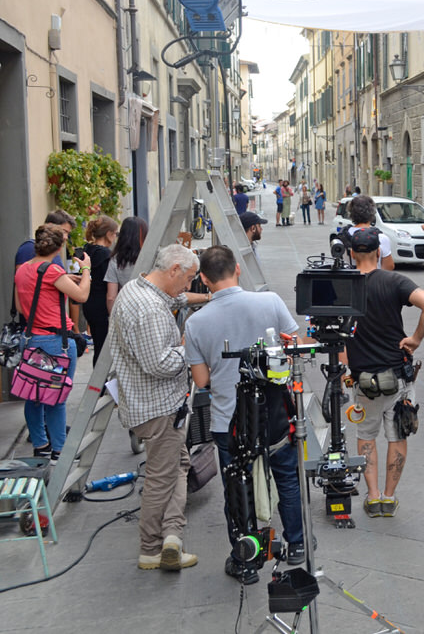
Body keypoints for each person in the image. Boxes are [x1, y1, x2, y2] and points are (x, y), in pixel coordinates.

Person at [183, 246, 305, 585]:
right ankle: (296, 544)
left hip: (229, 420)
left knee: (238, 488)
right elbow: (293, 347)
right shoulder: (270, 302)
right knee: (287, 478)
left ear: (203, 279)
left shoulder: (195, 323)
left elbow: (201, 381)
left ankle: (246, 560)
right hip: (275, 414)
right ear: (238, 269)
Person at [106, 244, 201, 571]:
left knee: (178, 466)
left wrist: (208, 297)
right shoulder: (149, 310)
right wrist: (190, 348)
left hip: (150, 404)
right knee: (161, 478)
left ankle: (172, 535)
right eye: (188, 278)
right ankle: (150, 548)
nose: (188, 285)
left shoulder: (139, 288)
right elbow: (159, 364)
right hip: (157, 408)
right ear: (174, 269)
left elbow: (174, 298)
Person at [344, 229, 424, 517]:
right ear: (378, 252)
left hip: (363, 379)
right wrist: (415, 339)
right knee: (397, 435)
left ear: (351, 253)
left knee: (366, 435)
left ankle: (372, 497)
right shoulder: (394, 281)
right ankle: (389, 497)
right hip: (396, 374)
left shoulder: (344, 285)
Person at [14, 224, 91, 461]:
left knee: (33, 394)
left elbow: (20, 307)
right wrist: (86, 270)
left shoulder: (23, 269)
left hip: (31, 339)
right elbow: (81, 295)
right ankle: (60, 450)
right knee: (57, 398)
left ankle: (41, 445)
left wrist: (62, 280)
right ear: (59, 247)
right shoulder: (52, 270)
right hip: (56, 341)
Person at [80, 216, 119, 364]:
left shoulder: (87, 250)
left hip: (89, 302)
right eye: (115, 234)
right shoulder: (105, 255)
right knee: (104, 349)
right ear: (108, 234)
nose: (115, 238)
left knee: (98, 344)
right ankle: (99, 378)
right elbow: (109, 283)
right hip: (102, 304)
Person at [105, 216, 149, 314]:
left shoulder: (115, 260)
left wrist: (113, 318)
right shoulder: (150, 257)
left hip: (127, 310)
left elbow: (111, 297)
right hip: (150, 308)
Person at [346, 195, 395, 270]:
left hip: (350, 277)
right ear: (372, 213)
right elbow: (388, 266)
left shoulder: (343, 236)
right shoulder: (381, 238)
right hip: (375, 276)